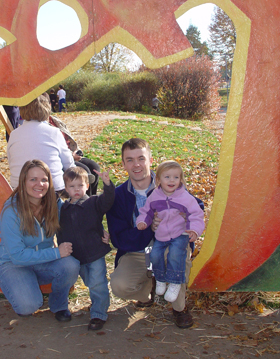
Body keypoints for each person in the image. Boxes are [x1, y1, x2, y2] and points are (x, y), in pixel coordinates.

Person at [106, 138, 194, 329]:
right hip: (138, 250)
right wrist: (149, 231)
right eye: (129, 160)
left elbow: (195, 209)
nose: (136, 164)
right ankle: (148, 291)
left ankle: (179, 308)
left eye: (141, 158)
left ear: (150, 160)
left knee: (175, 256)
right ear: (123, 164)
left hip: (171, 247)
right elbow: (119, 238)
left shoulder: (170, 184)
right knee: (119, 285)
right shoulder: (119, 195)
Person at [0, 160, 80, 321]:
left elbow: (77, 218)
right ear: (23, 182)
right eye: (33, 179)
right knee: (28, 306)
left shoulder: (54, 204)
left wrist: (99, 231)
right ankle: (20, 286)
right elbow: (17, 256)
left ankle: (59, 305)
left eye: (44, 179)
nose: (39, 184)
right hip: (15, 264)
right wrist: (56, 252)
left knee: (71, 265)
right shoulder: (11, 211)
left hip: (43, 262)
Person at [136, 160, 204, 303]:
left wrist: (194, 230)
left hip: (180, 233)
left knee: (175, 255)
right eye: (167, 177)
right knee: (155, 255)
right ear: (159, 180)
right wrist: (142, 221)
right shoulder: (154, 196)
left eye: (176, 177)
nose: (172, 180)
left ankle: (175, 283)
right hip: (161, 235)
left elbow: (196, 214)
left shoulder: (185, 197)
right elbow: (146, 211)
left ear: (181, 180)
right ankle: (160, 279)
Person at [57, 167, 115, 331]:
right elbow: (60, 231)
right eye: (72, 186)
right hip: (76, 256)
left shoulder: (93, 203)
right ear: (66, 189)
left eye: (80, 185)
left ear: (87, 186)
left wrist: (107, 184)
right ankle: (98, 302)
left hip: (95, 252)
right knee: (90, 282)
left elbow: (108, 200)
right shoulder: (63, 209)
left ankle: (99, 313)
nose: (77, 190)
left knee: (98, 283)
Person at [7, 95, 74, 192]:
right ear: (46, 109)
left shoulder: (14, 134)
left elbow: (11, 161)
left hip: (20, 188)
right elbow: (68, 163)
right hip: (52, 188)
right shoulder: (54, 132)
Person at [49, 113, 100, 195]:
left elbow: (69, 139)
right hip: (63, 158)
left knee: (94, 167)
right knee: (85, 171)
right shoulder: (44, 126)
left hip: (71, 153)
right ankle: (85, 202)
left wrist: (76, 150)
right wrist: (71, 155)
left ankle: (93, 200)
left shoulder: (55, 120)